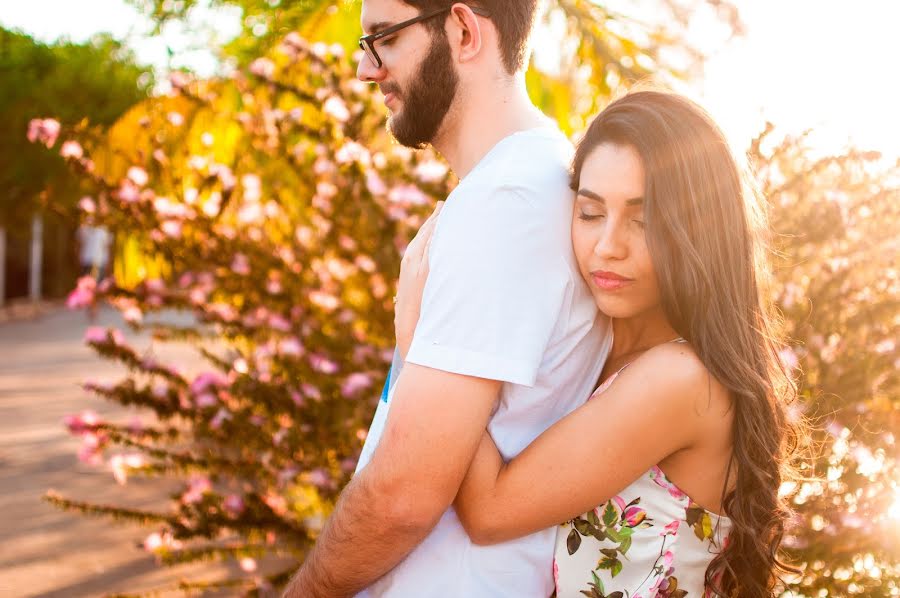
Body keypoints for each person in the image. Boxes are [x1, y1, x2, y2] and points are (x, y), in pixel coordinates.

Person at [396, 90, 801, 597]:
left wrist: (422, 341)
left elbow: (489, 511)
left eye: (644, 220)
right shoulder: (603, 347)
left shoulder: (680, 379)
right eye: (590, 213)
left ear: (702, 230)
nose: (608, 246)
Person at [282, 1, 612, 597]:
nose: (366, 70)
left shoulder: (506, 202)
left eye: (382, 38)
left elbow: (404, 495)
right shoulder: (522, 182)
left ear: (462, 31)